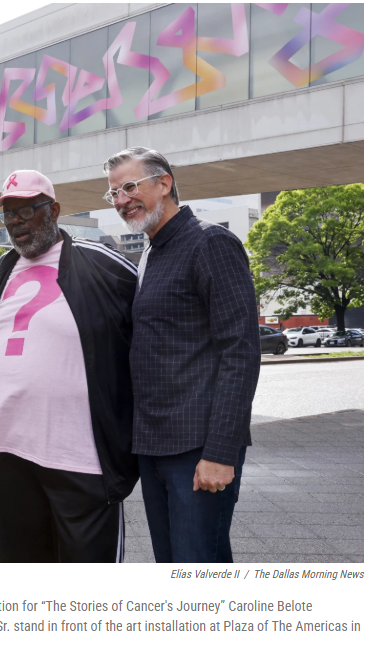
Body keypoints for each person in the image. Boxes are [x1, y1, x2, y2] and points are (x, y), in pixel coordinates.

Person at [102, 146, 261, 563]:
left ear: (165, 183)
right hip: (153, 447)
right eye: (114, 193)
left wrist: (220, 454)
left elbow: (240, 353)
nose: (121, 200)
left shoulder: (211, 243)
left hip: (198, 450)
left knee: (198, 566)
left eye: (130, 187)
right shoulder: (150, 254)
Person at [0, 170, 139, 563]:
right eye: (8, 214)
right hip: (10, 451)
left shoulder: (101, 262)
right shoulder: (2, 267)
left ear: (54, 210)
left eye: (27, 211)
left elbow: (153, 321)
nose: (16, 222)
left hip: (78, 456)